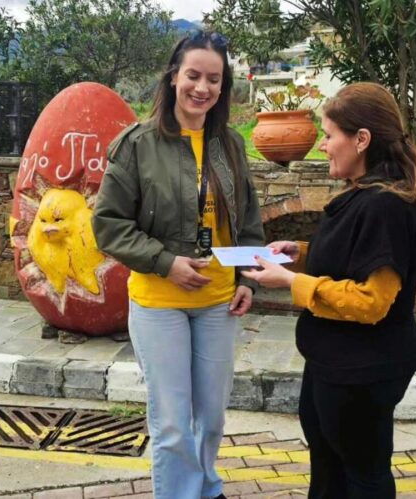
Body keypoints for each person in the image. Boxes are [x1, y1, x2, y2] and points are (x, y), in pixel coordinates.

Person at [92, 30, 265, 499]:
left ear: (223, 86)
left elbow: (248, 220)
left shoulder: (230, 145)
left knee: (211, 417)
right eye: (193, 75)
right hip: (159, 303)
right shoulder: (137, 144)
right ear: (173, 77)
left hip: (218, 303)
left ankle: (206, 489)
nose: (202, 88)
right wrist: (166, 263)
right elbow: (108, 225)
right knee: (171, 422)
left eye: (214, 79)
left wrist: (247, 279)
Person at [242, 82, 416, 499]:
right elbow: (351, 257)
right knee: (330, 464)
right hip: (337, 362)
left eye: (329, 136)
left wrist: (291, 282)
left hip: (363, 369)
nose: (322, 146)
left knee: (363, 475)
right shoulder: (365, 194)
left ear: (361, 140)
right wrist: (300, 254)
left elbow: (371, 301)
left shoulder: (385, 204)